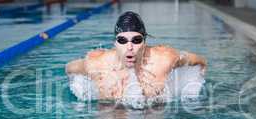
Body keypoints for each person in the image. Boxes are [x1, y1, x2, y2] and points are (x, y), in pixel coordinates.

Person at [66, 11, 207, 101]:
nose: (129, 47)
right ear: (114, 43)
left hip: (152, 109)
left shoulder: (164, 59)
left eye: (136, 40)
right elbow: (69, 68)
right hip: (111, 110)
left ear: (144, 42)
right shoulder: (97, 63)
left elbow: (199, 61)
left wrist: (194, 86)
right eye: (122, 40)